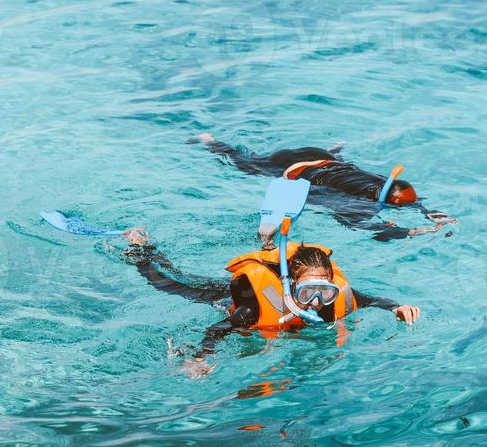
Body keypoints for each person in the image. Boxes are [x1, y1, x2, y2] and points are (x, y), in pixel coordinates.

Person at [122, 229, 420, 372]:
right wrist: (201, 358)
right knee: (169, 280)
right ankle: (141, 248)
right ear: (290, 289)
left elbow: (371, 299)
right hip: (222, 296)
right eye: (307, 294)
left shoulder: (335, 299)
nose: (316, 302)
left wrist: (397, 307)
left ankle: (268, 241)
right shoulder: (255, 308)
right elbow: (217, 331)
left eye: (323, 292)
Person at [195, 134, 456, 241]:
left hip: (320, 156)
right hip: (288, 164)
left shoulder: (381, 182)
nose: (412, 203)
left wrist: (427, 210)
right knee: (246, 163)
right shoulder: (357, 205)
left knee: (340, 168)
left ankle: (335, 149)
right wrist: (411, 231)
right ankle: (211, 142)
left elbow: (410, 199)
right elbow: (359, 226)